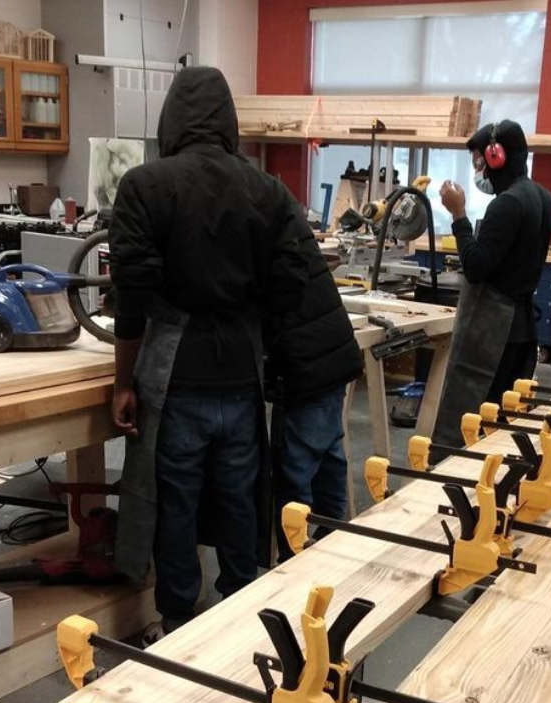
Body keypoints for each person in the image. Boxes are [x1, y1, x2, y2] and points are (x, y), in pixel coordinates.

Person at [109, 67, 302, 635]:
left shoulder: (144, 185)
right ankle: (242, 616)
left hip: (176, 379)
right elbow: (291, 286)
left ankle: (177, 621)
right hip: (242, 376)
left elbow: (131, 297)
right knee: (240, 499)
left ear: (170, 119)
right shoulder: (268, 190)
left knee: (177, 504)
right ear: (228, 120)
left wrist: (122, 383)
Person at [430, 120, 551, 453]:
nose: (478, 170)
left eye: (478, 161)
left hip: (493, 331)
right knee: (505, 418)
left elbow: (476, 267)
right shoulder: (546, 199)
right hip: (522, 327)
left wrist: (458, 215)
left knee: (471, 416)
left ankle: (454, 471)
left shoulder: (507, 203)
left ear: (496, 157)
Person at [265, 207, 363, 556]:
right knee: (328, 452)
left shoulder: (256, 228)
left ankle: (297, 559)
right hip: (329, 353)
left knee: (298, 466)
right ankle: (331, 543)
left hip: (309, 360)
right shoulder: (279, 213)